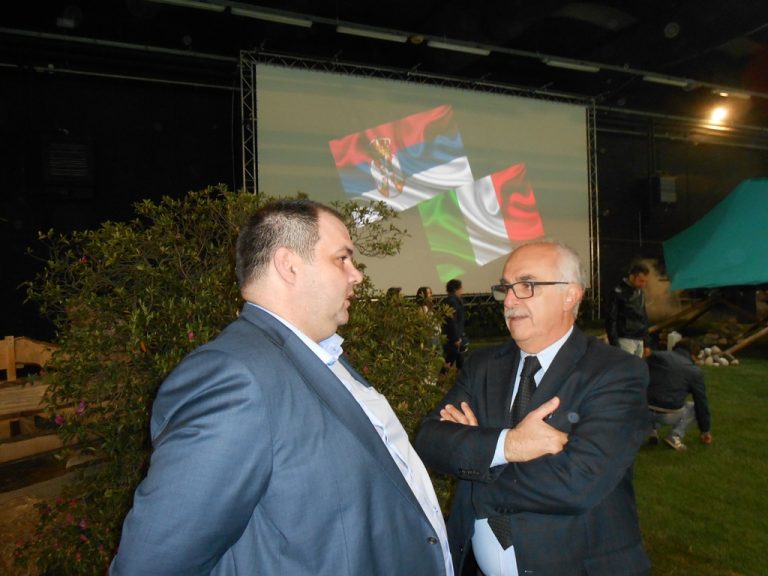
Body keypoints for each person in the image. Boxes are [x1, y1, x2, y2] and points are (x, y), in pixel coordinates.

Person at [110, 199, 452, 576]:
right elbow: (152, 563)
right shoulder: (236, 378)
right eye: (342, 259)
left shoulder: (319, 355)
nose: (356, 275)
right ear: (288, 265)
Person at [415, 239, 651, 576]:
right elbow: (429, 439)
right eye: (506, 287)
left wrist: (477, 462)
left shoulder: (614, 372)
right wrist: (508, 445)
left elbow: (577, 483)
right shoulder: (483, 366)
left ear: (570, 295)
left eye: (526, 286)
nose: (510, 300)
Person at [647, 338, 712, 451]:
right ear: (693, 355)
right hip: (668, 413)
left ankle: (651, 430)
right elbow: (701, 402)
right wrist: (705, 430)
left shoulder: (655, 356)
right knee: (693, 407)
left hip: (641, 408)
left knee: (654, 395)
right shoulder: (695, 371)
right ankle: (675, 435)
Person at [605, 261, 651, 357]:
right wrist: (615, 344)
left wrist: (646, 343)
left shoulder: (640, 293)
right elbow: (611, 320)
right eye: (641, 281)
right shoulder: (617, 293)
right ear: (632, 277)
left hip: (639, 339)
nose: (643, 284)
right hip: (625, 339)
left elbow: (644, 318)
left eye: (645, 281)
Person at [442, 278, 467, 370]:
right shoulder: (453, 301)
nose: (462, 291)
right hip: (454, 338)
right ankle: (443, 377)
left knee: (457, 359)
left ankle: (456, 376)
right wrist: (456, 338)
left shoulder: (452, 300)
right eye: (461, 288)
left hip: (455, 336)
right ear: (456, 289)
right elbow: (452, 321)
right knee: (451, 359)